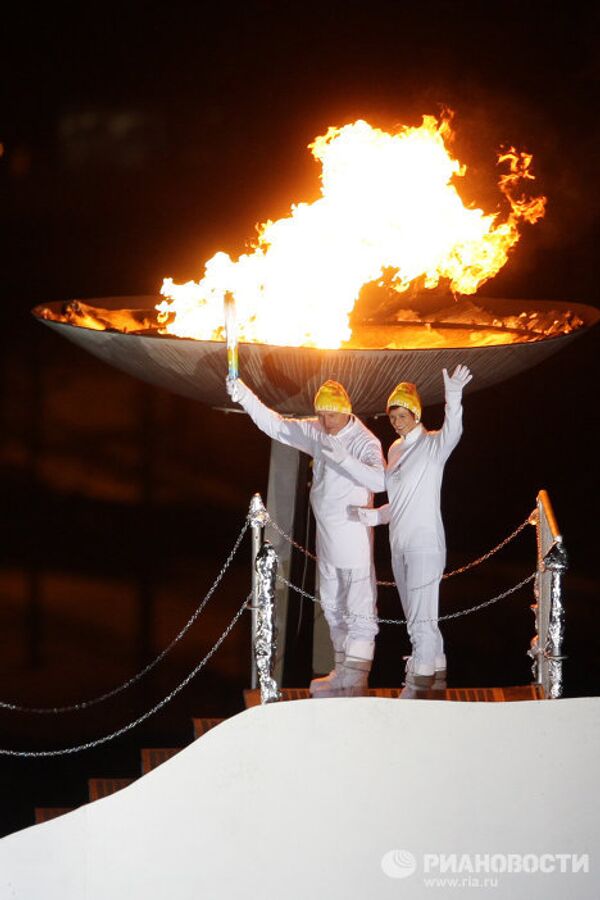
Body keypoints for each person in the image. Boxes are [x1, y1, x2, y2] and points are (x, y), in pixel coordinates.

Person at [226, 377, 385, 696]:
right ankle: (342, 672)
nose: (326, 422)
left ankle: (357, 679)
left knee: (360, 611)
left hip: (353, 542)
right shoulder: (317, 430)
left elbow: (381, 480)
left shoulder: (364, 442)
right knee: (332, 605)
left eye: (332, 416)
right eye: (322, 415)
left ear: (346, 412)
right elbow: (278, 425)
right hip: (327, 542)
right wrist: (244, 396)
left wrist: (344, 459)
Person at [356, 364, 472, 688]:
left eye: (401, 415)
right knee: (416, 617)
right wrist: (376, 516)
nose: (396, 422)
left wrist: (453, 397)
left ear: (415, 414)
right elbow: (401, 500)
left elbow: (455, 430)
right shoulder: (394, 449)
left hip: (425, 543)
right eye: (392, 417)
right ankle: (436, 669)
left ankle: (419, 681)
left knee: (422, 615)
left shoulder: (433, 445)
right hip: (399, 543)